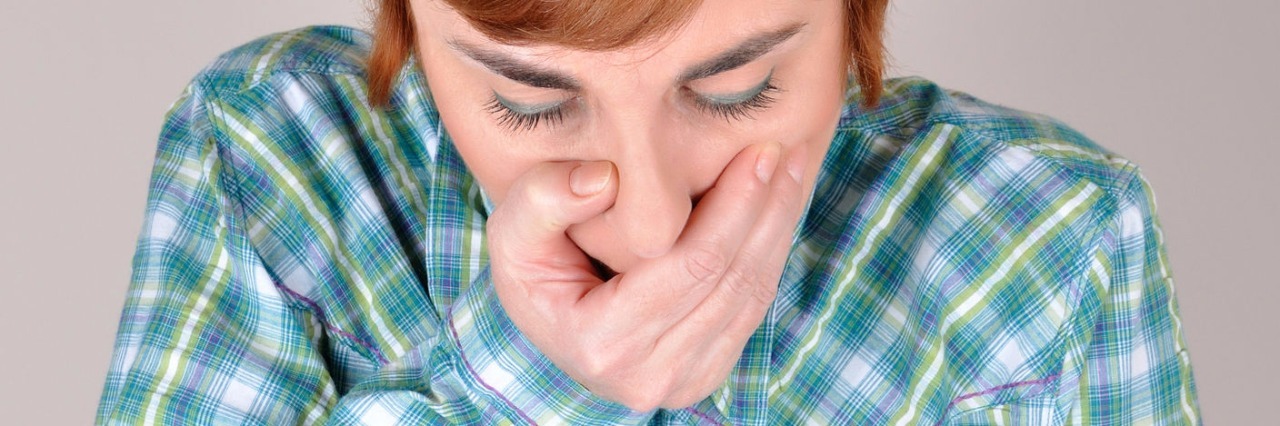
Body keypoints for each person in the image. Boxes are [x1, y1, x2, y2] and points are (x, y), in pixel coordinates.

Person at [96, 0, 1201, 424]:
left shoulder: (1053, 235)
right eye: (527, 99)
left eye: (737, 88)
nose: (649, 226)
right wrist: (534, 383)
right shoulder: (269, 153)